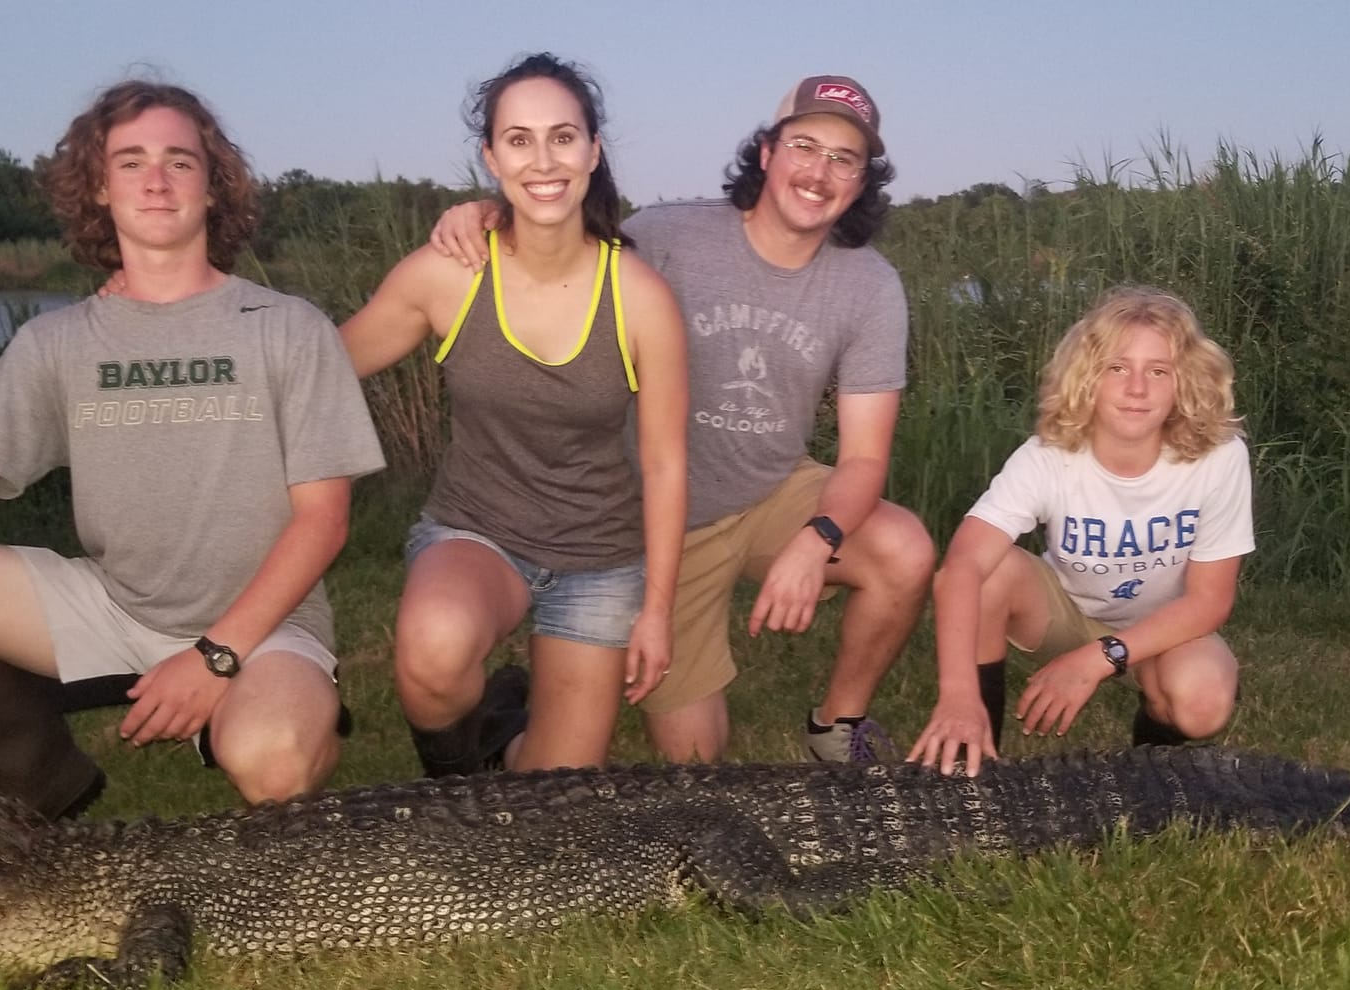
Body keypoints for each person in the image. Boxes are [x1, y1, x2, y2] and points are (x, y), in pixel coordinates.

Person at [0, 80, 385, 814]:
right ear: (100, 191)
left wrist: (215, 658)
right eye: (131, 162)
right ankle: (50, 783)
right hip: (112, 604)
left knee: (273, 765)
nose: (155, 180)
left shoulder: (285, 326)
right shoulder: (58, 342)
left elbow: (323, 520)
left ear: (213, 188)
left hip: (266, 622)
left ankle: (272, 708)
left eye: (180, 161)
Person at [432, 75, 936, 765]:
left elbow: (863, 461)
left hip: (771, 493)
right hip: (660, 521)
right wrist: (487, 212)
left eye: (844, 158)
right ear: (766, 153)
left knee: (903, 549)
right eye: (804, 146)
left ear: (861, 179)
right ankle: (505, 728)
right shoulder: (669, 236)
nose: (819, 172)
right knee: (695, 759)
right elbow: (554, 243)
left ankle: (836, 729)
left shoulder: (870, 284)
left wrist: (818, 538)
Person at [339, 54, 687, 775]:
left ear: (593, 151)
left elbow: (663, 463)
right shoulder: (450, 273)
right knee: (432, 652)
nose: (543, 160)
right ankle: (456, 782)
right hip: (479, 531)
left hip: (599, 557)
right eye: (519, 140)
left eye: (563, 137)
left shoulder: (640, 297)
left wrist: (655, 609)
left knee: (548, 800)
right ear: (491, 156)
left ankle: (506, 732)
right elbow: (323, 365)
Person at [906, 287, 1253, 777]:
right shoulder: (1048, 455)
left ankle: (1148, 762)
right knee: (990, 573)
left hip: (1166, 626)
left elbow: (1210, 603)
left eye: (1158, 371)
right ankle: (972, 756)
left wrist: (1098, 659)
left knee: (1203, 703)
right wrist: (957, 693)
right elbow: (959, 568)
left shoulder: (1218, 456)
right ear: (1087, 377)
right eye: (1117, 368)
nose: (1137, 388)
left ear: (1185, 382)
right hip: (1066, 611)